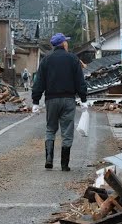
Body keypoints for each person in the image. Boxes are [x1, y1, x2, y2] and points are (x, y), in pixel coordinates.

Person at [31, 33, 87, 171]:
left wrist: (36, 101)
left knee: (50, 128)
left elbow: (39, 82)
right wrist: (84, 99)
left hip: (51, 99)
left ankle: (49, 159)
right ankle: (64, 164)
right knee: (67, 130)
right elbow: (80, 81)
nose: (67, 44)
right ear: (63, 43)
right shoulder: (73, 59)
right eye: (66, 42)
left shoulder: (46, 60)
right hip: (68, 99)